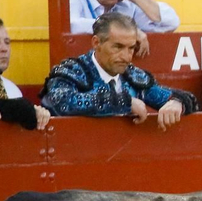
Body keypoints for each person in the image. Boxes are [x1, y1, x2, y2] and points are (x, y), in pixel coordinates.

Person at [42, 11, 188, 127]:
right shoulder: (71, 72)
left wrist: (176, 102)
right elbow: (63, 102)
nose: (126, 57)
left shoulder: (133, 77)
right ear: (96, 42)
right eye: (117, 47)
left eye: (131, 48)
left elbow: (175, 97)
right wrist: (122, 102)